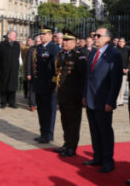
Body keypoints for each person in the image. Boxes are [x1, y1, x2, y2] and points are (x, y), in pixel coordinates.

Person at [83, 27, 122, 173]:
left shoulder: (114, 55)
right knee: (94, 131)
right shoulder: (93, 52)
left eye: (98, 35)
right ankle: (97, 157)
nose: (95, 37)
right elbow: (88, 77)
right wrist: (84, 95)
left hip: (104, 101)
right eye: (94, 35)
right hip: (91, 99)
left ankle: (108, 161)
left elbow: (115, 81)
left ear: (107, 38)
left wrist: (111, 102)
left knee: (105, 132)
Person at [53, 29, 87, 157]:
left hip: (74, 96)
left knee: (73, 122)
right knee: (65, 120)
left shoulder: (79, 57)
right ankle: (66, 143)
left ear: (75, 42)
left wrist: (82, 95)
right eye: (64, 40)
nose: (64, 43)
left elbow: (83, 78)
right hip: (62, 94)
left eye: (68, 41)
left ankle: (72, 146)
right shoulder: (61, 54)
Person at [33, 25, 60, 144]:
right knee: (41, 110)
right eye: (41, 34)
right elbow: (35, 65)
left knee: (49, 110)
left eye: (44, 34)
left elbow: (56, 67)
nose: (42, 36)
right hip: (39, 84)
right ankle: (42, 132)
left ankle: (49, 134)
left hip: (49, 84)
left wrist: (54, 82)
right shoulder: (38, 48)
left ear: (50, 35)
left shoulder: (54, 48)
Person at [0, 30, 21, 108]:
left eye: (16, 35)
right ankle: (3, 102)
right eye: (13, 35)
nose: (15, 37)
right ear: (8, 36)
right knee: (4, 86)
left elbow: (17, 57)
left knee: (12, 86)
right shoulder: (2, 45)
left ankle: (12, 102)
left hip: (14, 69)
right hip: (4, 69)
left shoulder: (17, 45)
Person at [26, 35, 41, 111]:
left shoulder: (44, 49)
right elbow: (28, 62)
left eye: (39, 41)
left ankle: (38, 104)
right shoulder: (31, 50)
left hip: (41, 74)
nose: (37, 43)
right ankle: (32, 104)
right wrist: (28, 73)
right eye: (36, 41)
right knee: (32, 89)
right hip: (33, 72)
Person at [116, 38, 129, 106]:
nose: (120, 43)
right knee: (116, 86)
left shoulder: (127, 49)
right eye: (119, 42)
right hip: (116, 70)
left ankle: (120, 101)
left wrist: (128, 68)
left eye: (122, 42)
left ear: (124, 42)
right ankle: (116, 100)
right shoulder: (116, 50)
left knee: (122, 86)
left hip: (124, 71)